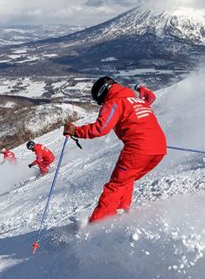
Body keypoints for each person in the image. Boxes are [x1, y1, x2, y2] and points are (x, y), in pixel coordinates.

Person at [63, 76, 167, 223]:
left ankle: (98, 224)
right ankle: (121, 210)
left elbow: (101, 128)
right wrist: (142, 91)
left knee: (116, 184)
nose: (101, 104)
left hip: (139, 148)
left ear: (101, 93)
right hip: (159, 147)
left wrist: (75, 131)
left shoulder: (114, 102)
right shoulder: (135, 99)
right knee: (127, 178)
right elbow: (149, 100)